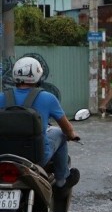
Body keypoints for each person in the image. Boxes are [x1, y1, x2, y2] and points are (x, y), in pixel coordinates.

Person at [0, 57, 80, 189]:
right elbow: (67, 129)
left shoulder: (2, 97)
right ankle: (62, 180)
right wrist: (72, 135)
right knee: (60, 133)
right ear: (37, 75)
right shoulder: (48, 98)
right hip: (36, 158)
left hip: (4, 157)